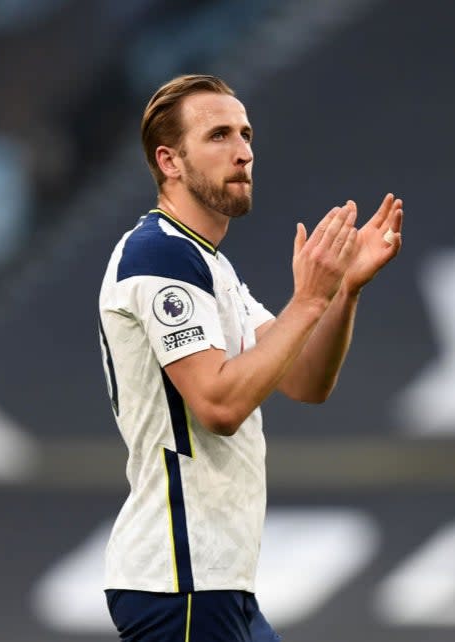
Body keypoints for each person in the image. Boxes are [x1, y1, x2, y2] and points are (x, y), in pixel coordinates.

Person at [97, 74, 403, 642]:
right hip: (180, 582)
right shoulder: (160, 254)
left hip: (218, 584)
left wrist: (342, 293)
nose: (243, 152)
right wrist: (309, 297)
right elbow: (217, 403)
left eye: (246, 134)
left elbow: (306, 380)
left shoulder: (209, 265)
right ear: (170, 161)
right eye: (218, 135)